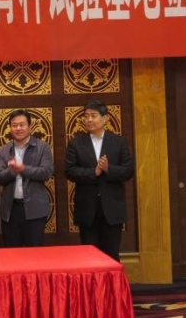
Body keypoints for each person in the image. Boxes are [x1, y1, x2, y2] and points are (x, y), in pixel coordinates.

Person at [64, 100, 135, 261]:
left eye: (93, 116)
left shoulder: (118, 142)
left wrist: (109, 169)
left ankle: (111, 279)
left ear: (105, 118)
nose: (89, 119)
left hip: (112, 208)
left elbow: (128, 171)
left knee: (111, 255)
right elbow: (69, 171)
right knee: (89, 256)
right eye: (86, 116)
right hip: (87, 208)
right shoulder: (76, 143)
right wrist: (93, 172)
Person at [0, 110, 53, 247]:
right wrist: (12, 171)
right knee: (12, 252)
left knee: (34, 252)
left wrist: (23, 169)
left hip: (35, 209)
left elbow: (46, 172)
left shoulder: (42, 147)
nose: (18, 128)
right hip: (10, 210)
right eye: (14, 125)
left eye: (22, 124)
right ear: (10, 128)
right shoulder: (4, 150)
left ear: (30, 126)